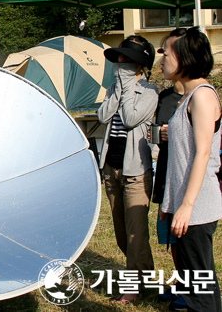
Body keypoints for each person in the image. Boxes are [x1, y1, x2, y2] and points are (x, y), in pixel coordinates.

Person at [160, 26, 222, 312]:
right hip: (184, 205)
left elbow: (203, 153)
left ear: (184, 57)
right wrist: (171, 202)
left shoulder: (203, 96)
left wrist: (186, 206)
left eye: (167, 52)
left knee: (200, 289)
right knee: (192, 281)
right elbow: (182, 153)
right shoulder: (188, 96)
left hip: (196, 207)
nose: (162, 59)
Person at [97, 35, 158, 304]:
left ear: (137, 64)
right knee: (122, 231)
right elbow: (103, 116)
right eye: (118, 58)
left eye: (125, 58)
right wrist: (120, 88)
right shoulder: (114, 88)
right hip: (113, 168)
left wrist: (128, 86)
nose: (119, 63)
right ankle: (146, 278)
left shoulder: (150, 92)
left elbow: (132, 118)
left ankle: (133, 286)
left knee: (136, 232)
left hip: (136, 170)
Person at [151, 77, 187, 310]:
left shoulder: (199, 98)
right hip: (165, 171)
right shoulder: (164, 97)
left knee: (187, 237)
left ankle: (193, 288)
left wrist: (172, 134)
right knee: (170, 235)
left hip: (185, 176)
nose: (163, 61)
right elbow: (156, 132)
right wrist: (157, 136)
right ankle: (182, 283)